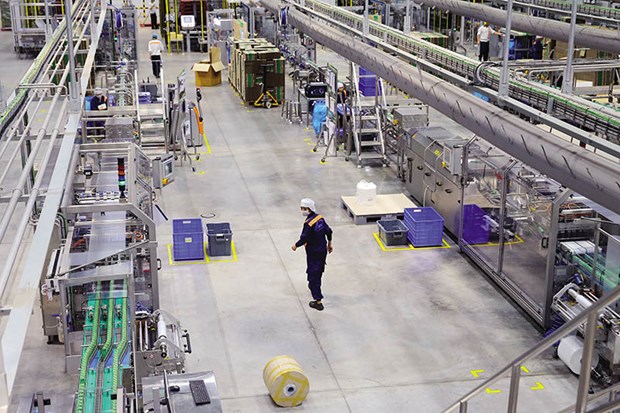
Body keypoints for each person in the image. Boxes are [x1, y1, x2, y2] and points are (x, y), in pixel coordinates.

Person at [292, 198, 333, 311]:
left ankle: (318, 301)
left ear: (310, 209)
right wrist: (330, 243)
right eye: (302, 208)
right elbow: (329, 231)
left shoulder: (308, 224)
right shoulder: (320, 218)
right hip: (322, 251)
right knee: (318, 270)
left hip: (313, 252)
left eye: (304, 209)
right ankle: (313, 285)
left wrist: (296, 245)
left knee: (313, 274)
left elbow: (304, 238)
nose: (303, 211)